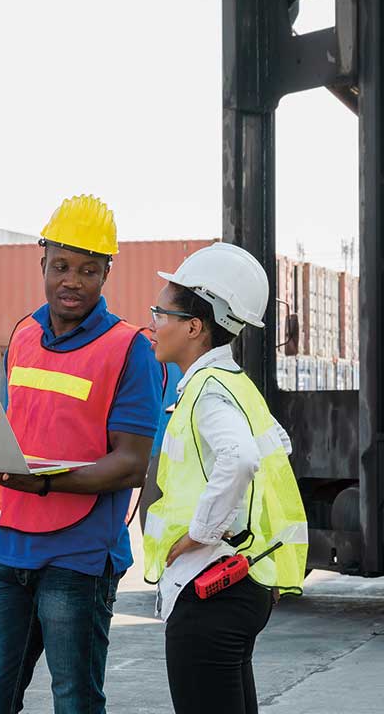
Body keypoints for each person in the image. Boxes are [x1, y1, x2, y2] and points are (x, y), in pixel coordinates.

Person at [0, 194, 163, 714]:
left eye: (87, 269)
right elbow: (11, 454)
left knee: (74, 701)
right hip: (9, 555)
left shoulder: (130, 349)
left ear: (106, 273)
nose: (71, 280)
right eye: (60, 266)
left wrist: (45, 483)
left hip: (79, 560)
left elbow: (130, 464)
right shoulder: (24, 335)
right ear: (43, 265)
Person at [143, 242, 308, 714]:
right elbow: (278, 449)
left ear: (194, 327)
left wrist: (200, 533)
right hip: (240, 581)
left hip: (209, 591)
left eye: (161, 312)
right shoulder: (235, 384)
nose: (153, 323)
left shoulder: (207, 392)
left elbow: (239, 460)